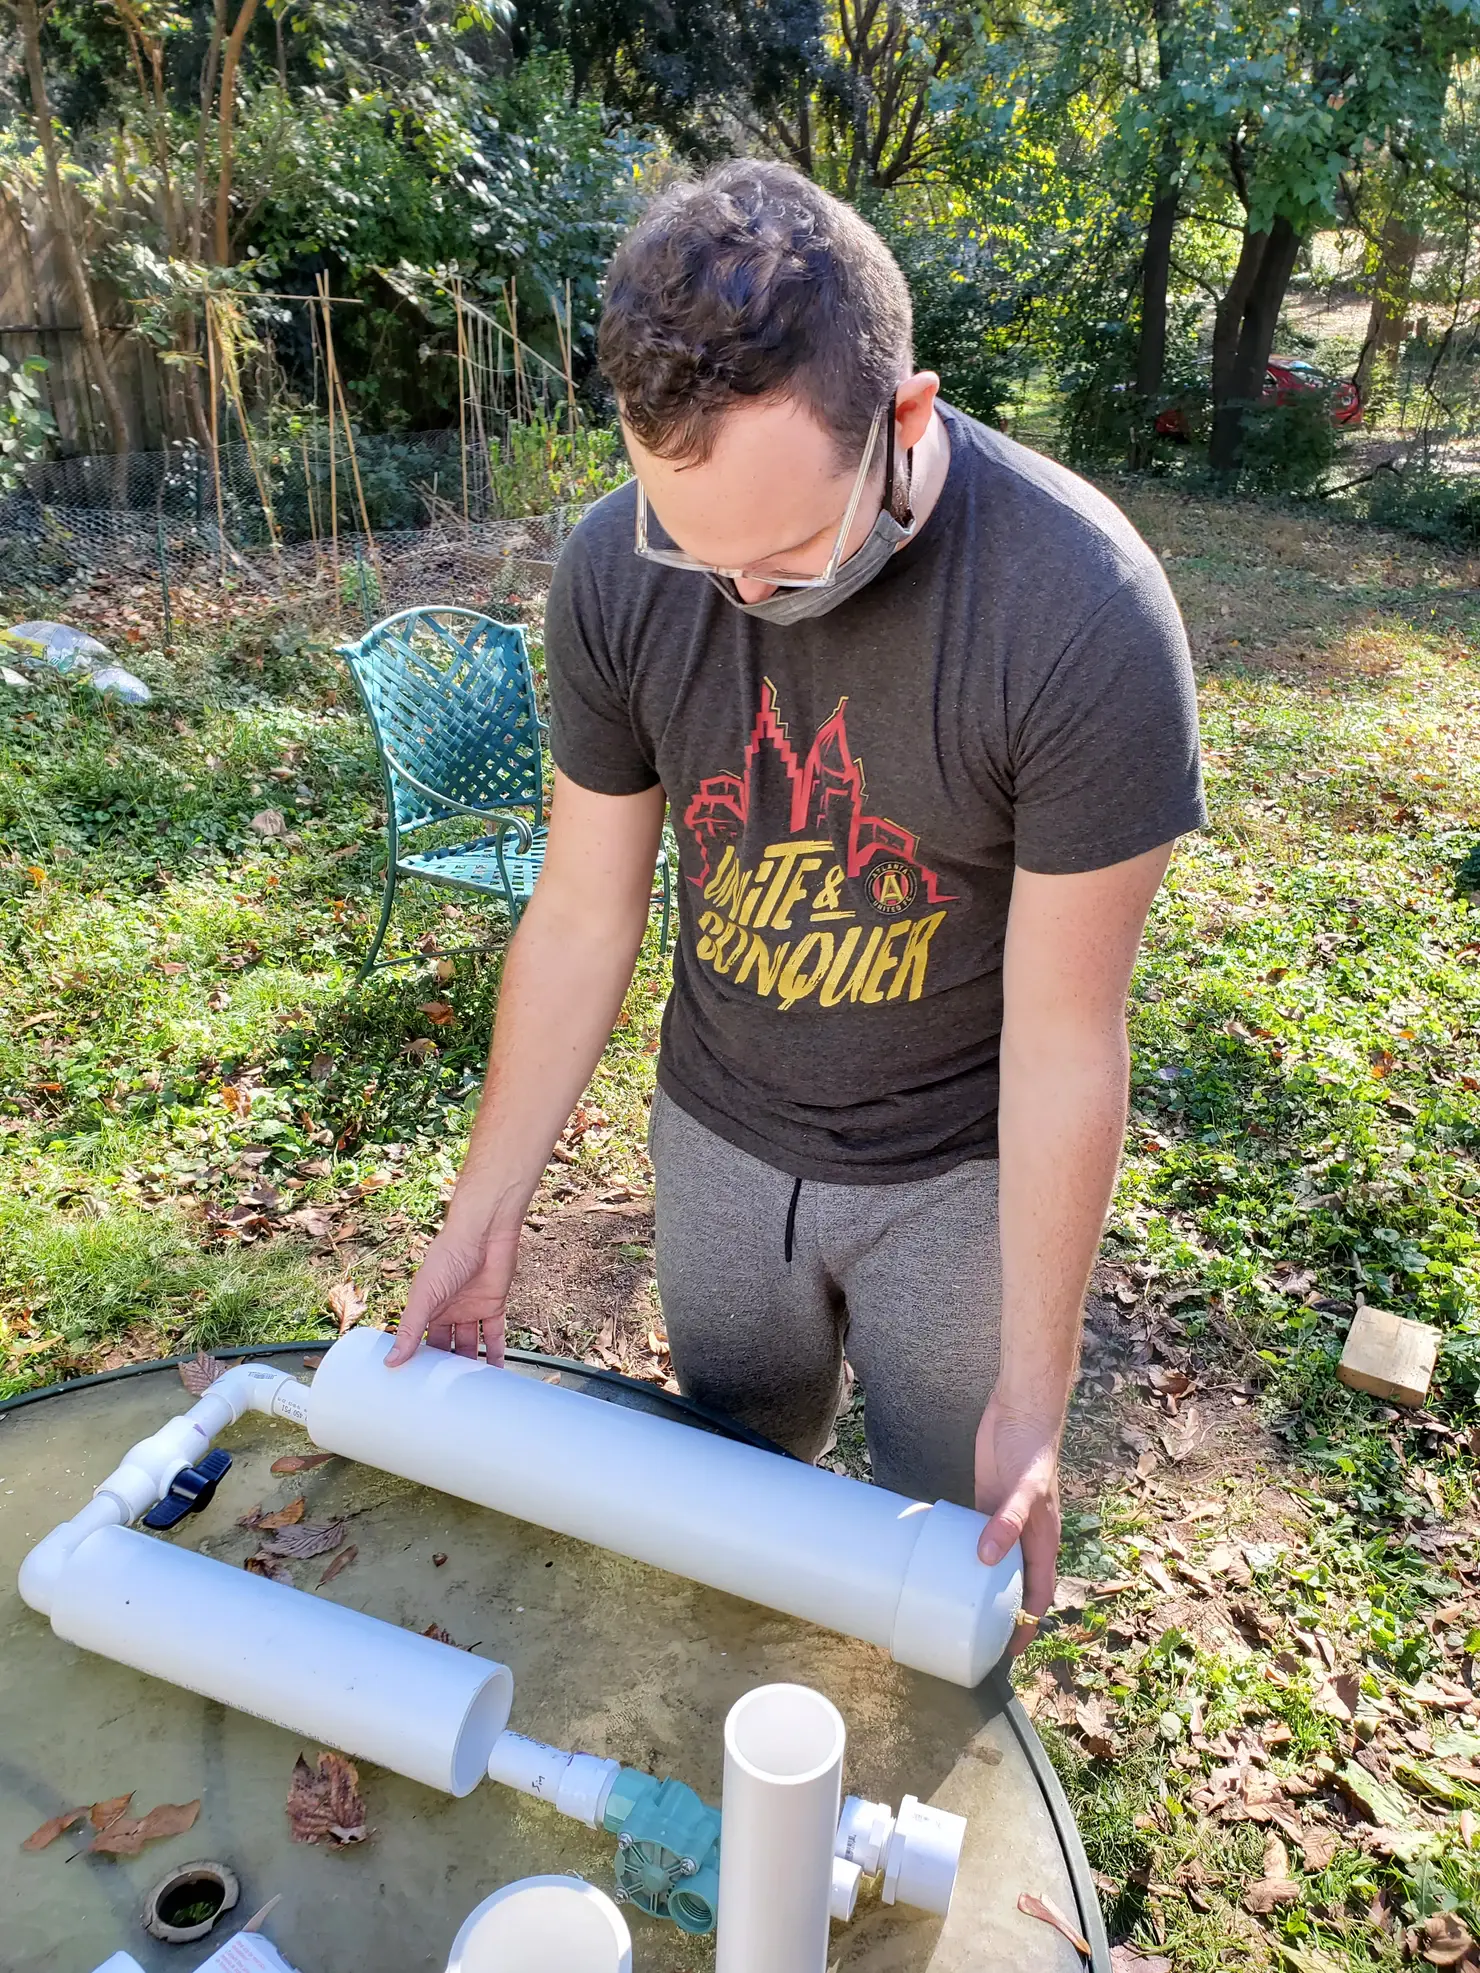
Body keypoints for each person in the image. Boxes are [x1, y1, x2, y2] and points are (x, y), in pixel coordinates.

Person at [387, 159, 1206, 1643]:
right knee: (738, 1508)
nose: (740, 602)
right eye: (691, 549)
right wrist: (482, 1209)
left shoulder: (1083, 615)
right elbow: (582, 913)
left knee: (941, 1571)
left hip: (960, 1177)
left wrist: (1035, 1393)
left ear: (906, 420)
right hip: (716, 1137)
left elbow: (1069, 1033)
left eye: (785, 556)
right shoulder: (613, 572)